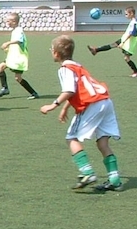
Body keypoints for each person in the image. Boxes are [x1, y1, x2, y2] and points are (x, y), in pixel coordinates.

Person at [40, 35, 124, 192]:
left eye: (52, 50)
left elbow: (70, 90)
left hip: (91, 105)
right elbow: (79, 88)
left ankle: (87, 172)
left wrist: (53, 105)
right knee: (102, 143)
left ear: (56, 54)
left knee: (72, 138)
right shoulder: (77, 65)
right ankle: (115, 179)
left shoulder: (65, 69)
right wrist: (66, 108)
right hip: (105, 102)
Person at [87, 6, 137, 78]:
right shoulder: (133, 22)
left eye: (126, 14)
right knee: (112, 45)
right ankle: (95, 50)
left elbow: (133, 34)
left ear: (131, 13)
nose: (125, 16)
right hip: (124, 40)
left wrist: (123, 43)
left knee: (126, 58)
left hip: (128, 43)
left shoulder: (134, 23)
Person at [0, 12, 39, 99]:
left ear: (14, 21)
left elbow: (19, 40)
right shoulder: (15, 31)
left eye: (9, 21)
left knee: (18, 78)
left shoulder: (19, 30)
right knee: (0, 67)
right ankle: (5, 88)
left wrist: (8, 43)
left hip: (18, 59)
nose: (7, 22)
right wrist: (8, 49)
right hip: (13, 58)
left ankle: (34, 93)